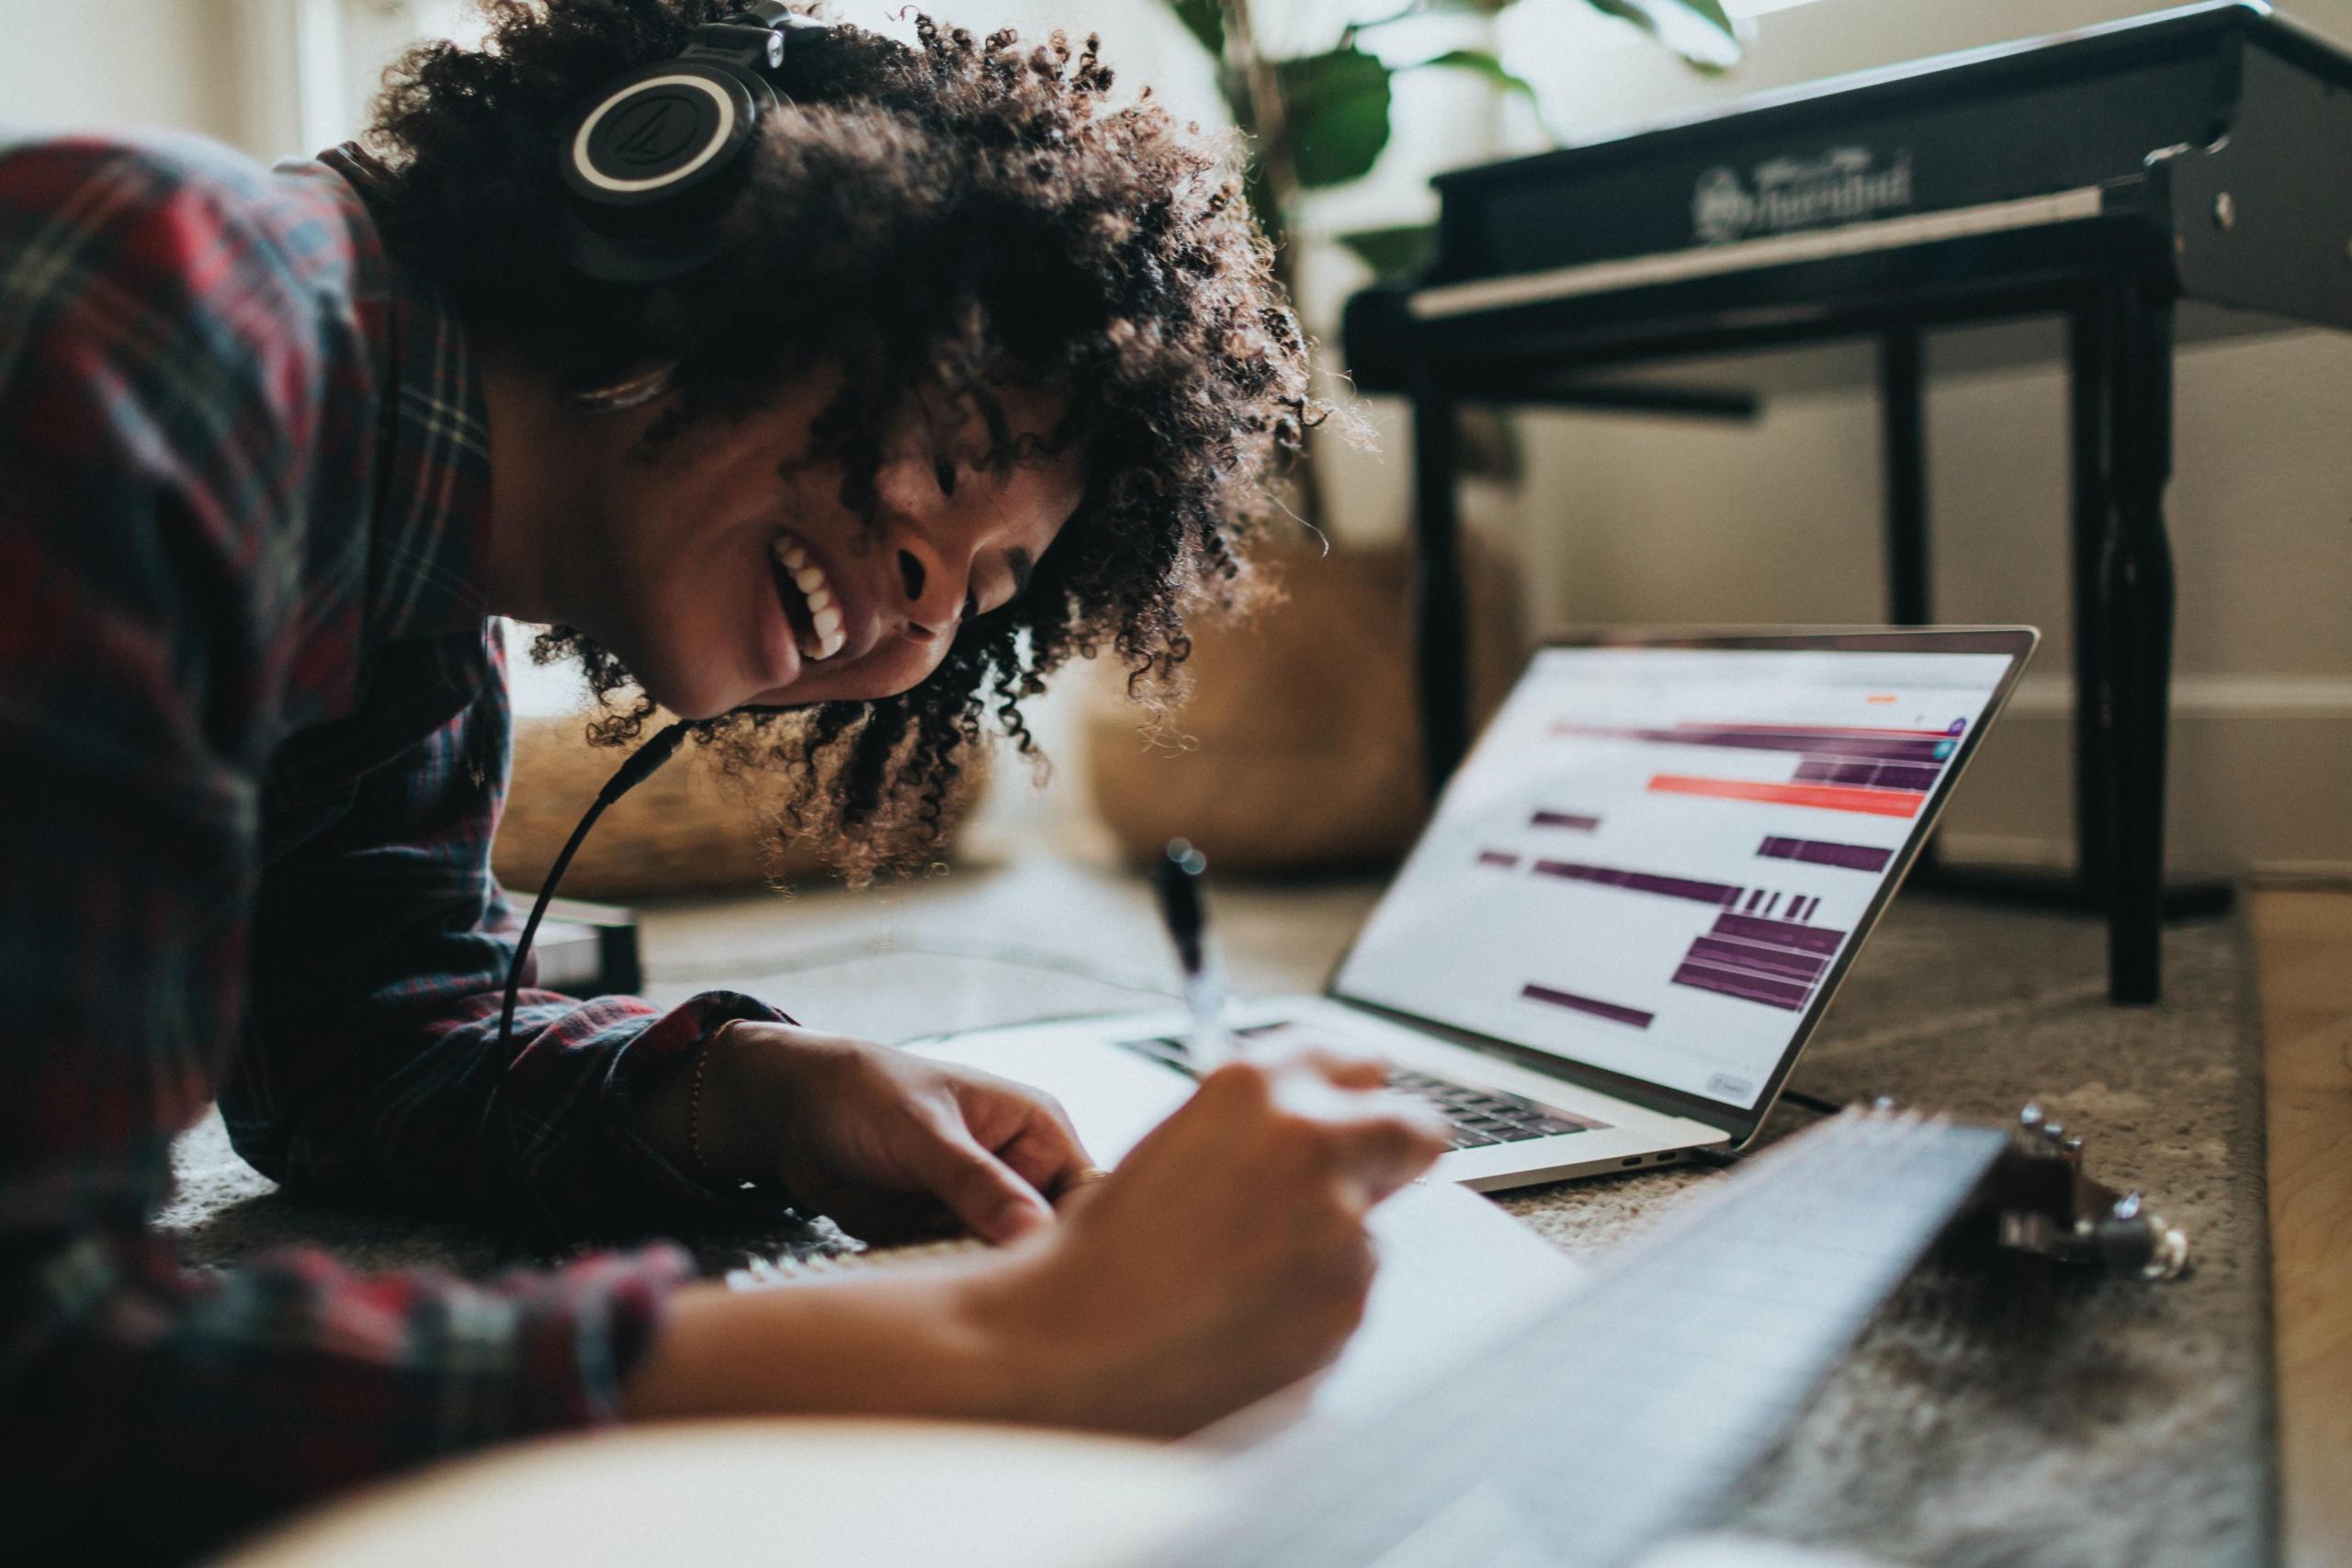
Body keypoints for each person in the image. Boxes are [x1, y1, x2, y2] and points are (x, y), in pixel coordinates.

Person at [0, 3, 1449, 1560]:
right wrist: (1009, 1350)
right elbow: (46, 1375)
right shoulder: (168, 305)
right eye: (955, 446)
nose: (926, 601)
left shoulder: (409, 598)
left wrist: (762, 1094)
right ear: (687, 213)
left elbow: (355, 1044)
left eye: (995, 588)